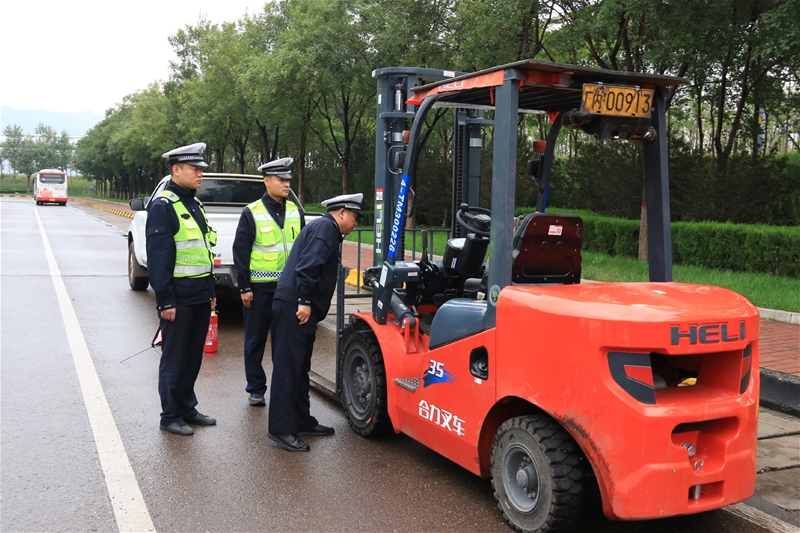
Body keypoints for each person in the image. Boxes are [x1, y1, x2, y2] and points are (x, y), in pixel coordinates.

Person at [267, 192, 363, 452]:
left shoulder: (326, 228)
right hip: (296, 306)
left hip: (297, 305)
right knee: (288, 368)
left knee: (300, 367)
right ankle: (281, 428)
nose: (356, 223)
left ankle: (301, 420)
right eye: (354, 217)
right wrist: (304, 301)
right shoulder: (326, 229)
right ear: (341, 212)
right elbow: (308, 266)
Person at [146, 142, 218, 436]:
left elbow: (203, 252)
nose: (200, 174)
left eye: (201, 169)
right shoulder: (163, 206)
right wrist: (165, 301)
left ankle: (187, 407)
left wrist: (210, 292)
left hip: (200, 295)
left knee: (192, 358)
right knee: (174, 359)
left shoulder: (194, 204)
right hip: (178, 298)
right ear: (176, 170)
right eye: (194, 169)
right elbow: (159, 258)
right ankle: (170, 415)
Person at [232, 157, 304, 407]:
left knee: (284, 343)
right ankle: (256, 388)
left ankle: (282, 388)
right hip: (259, 289)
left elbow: (303, 249)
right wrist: (244, 287)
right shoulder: (252, 212)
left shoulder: (295, 211)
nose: (286, 184)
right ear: (266, 181)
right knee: (255, 341)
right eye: (281, 180)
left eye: (288, 180)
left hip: (288, 289)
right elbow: (240, 251)